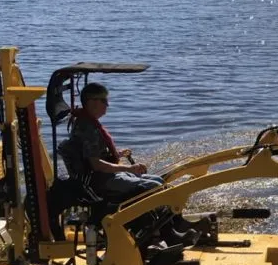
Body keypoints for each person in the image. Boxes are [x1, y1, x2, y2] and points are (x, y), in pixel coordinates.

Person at [58, 82, 197, 248]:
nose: (107, 106)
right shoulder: (87, 127)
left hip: (105, 175)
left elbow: (96, 156)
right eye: (104, 101)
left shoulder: (87, 122)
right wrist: (129, 168)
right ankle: (170, 235)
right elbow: (96, 164)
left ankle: (176, 225)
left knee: (159, 182)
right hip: (99, 181)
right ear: (91, 102)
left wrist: (117, 155)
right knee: (153, 187)